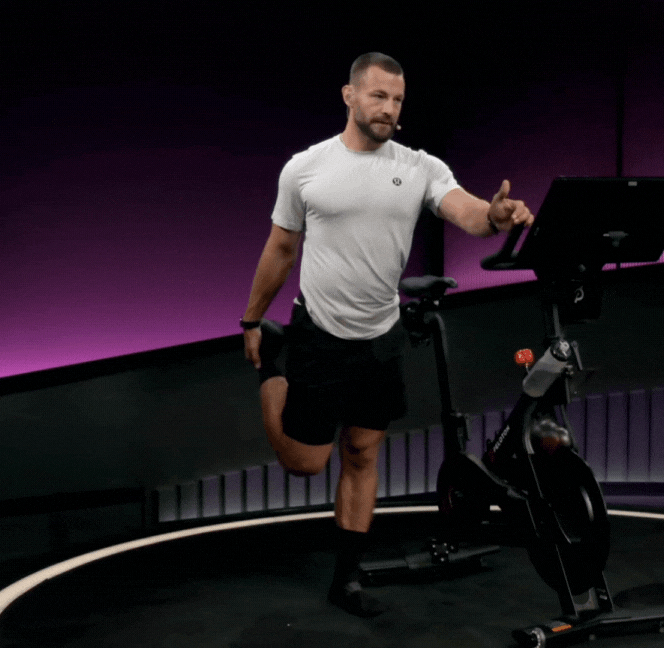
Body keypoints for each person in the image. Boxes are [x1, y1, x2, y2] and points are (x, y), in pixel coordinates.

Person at [239, 52, 534, 617]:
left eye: (397, 100)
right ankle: (273, 364)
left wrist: (495, 216)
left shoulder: (420, 166)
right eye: (378, 96)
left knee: (362, 450)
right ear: (349, 97)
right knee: (306, 463)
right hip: (318, 331)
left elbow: (469, 213)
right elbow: (281, 249)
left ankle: (345, 579)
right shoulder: (306, 167)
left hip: (380, 334)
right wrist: (253, 320)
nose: (389, 109)